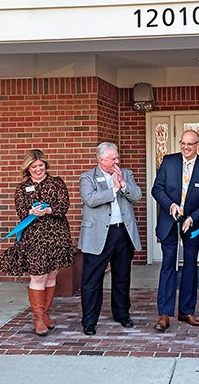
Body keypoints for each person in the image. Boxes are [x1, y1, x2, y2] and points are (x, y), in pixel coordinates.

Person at [0, 149, 75, 337]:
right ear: (28, 169)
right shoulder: (22, 188)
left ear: (46, 166)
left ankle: (45, 314)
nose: (38, 169)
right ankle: (38, 318)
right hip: (34, 238)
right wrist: (31, 212)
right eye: (34, 167)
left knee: (51, 276)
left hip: (57, 236)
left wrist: (48, 211)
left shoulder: (57, 183)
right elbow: (21, 211)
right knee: (38, 276)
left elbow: (64, 206)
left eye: (41, 166)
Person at [151, 129, 199, 331]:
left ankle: (186, 311)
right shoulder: (169, 162)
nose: (186, 148)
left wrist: (192, 217)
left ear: (198, 145)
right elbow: (157, 189)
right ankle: (164, 313)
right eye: (183, 144)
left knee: (190, 266)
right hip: (169, 220)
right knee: (168, 264)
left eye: (190, 144)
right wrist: (170, 205)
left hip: (192, 223)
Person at [78, 142, 142, 336]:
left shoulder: (126, 174)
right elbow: (90, 199)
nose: (117, 161)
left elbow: (137, 196)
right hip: (98, 235)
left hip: (122, 232)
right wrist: (113, 190)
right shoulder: (88, 177)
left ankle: (122, 314)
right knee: (92, 280)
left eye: (117, 157)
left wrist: (122, 185)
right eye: (113, 158)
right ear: (101, 160)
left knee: (122, 277)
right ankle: (89, 321)